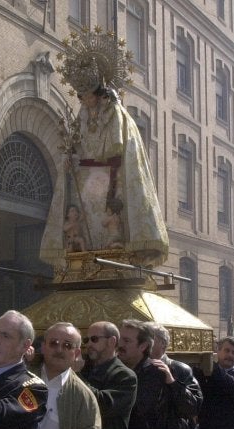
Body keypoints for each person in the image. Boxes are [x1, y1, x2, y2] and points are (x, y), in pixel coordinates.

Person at [40, 29, 168, 267]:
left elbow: (119, 149)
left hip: (112, 179)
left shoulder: (115, 114)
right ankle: (83, 261)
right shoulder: (82, 115)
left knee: (111, 222)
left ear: (98, 93)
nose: (84, 101)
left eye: (88, 96)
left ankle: (116, 258)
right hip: (88, 181)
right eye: (81, 97)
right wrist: (70, 158)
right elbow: (76, 145)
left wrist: (110, 172)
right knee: (83, 222)